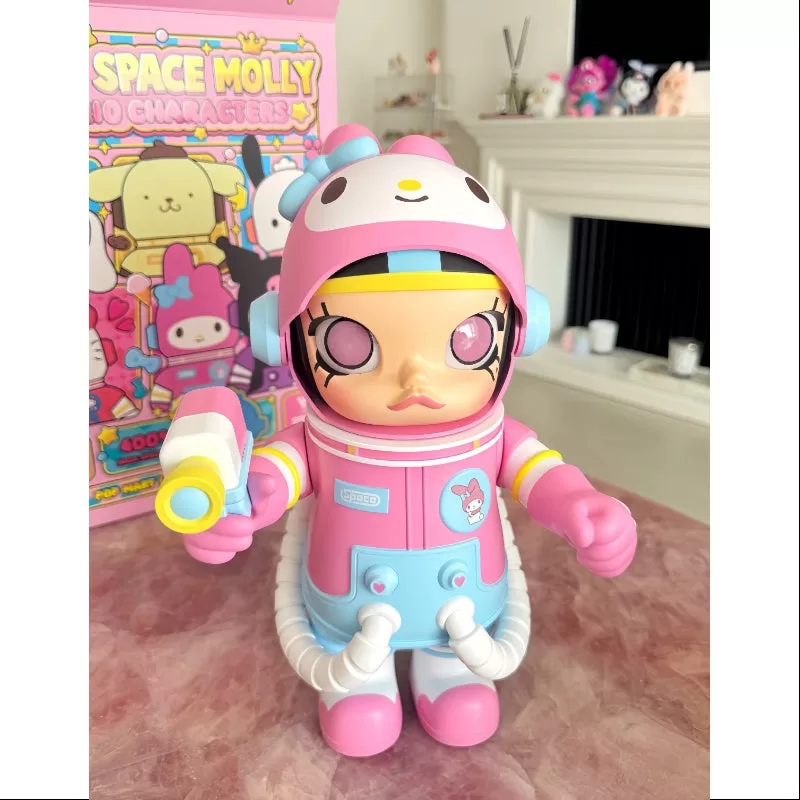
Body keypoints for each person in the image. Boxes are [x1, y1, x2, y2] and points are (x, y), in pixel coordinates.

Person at [159, 125, 637, 757]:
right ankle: (364, 683)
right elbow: (273, 476)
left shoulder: (491, 434)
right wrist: (237, 507)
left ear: (521, 329)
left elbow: (538, 471)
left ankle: (447, 669)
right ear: (285, 337)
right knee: (359, 704)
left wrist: (581, 506)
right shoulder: (322, 440)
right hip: (347, 610)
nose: (416, 379)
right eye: (350, 344)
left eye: (467, 340)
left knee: (461, 687)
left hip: (465, 605)